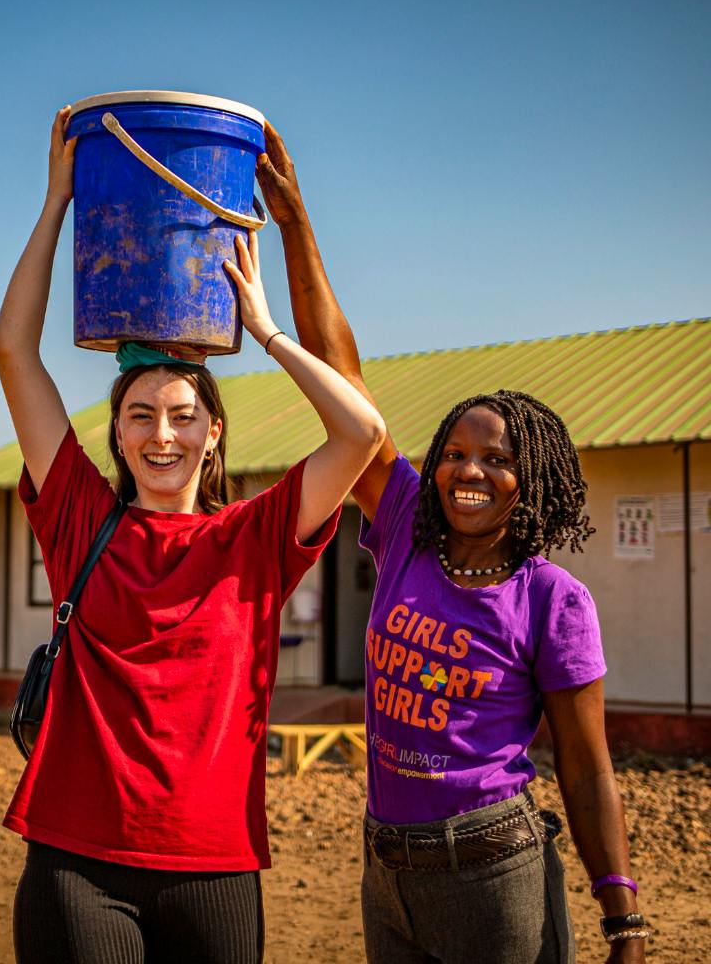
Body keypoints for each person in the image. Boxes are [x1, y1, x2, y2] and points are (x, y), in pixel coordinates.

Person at [0, 106, 386, 963]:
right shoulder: (78, 516)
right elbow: (13, 351)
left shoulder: (258, 537)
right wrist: (59, 201)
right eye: (141, 416)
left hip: (216, 865)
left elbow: (361, 432)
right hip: (75, 859)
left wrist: (268, 332)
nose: (161, 435)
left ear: (213, 433)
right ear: (116, 432)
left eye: (182, 416)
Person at [254, 123, 648, 963]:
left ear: (530, 484)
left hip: (492, 872)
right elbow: (344, 379)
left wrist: (623, 916)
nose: (470, 471)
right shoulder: (405, 525)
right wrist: (295, 225)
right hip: (385, 867)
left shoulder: (552, 602)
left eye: (497, 461)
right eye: (455, 454)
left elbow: (586, 768)